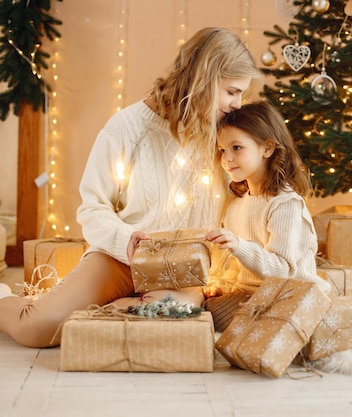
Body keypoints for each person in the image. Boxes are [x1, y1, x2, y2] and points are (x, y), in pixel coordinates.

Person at [0, 27, 262, 348]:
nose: (237, 104)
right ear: (204, 79)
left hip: (184, 271)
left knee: (148, 325)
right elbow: (92, 209)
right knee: (37, 329)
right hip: (120, 260)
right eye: (232, 91)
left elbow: (252, 192)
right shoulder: (127, 127)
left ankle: (108, 311)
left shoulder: (227, 135)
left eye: (242, 95)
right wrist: (127, 242)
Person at [203, 100, 331, 331]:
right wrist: (221, 285)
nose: (227, 158)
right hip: (251, 295)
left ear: (267, 148)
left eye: (237, 148)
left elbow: (282, 270)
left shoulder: (285, 204)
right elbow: (236, 267)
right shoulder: (236, 206)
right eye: (222, 150)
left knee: (205, 318)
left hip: (289, 295)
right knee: (200, 309)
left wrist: (239, 245)